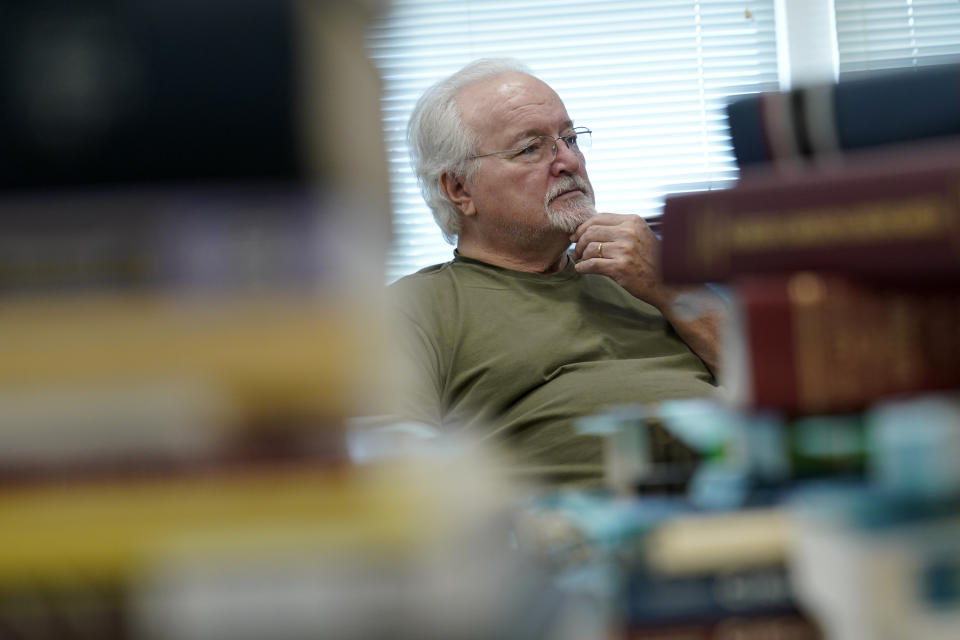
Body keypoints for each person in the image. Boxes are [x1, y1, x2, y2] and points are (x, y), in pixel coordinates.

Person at [389, 58, 721, 483]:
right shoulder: (413, 308)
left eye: (569, 138)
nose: (568, 161)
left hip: (749, 498)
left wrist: (671, 289)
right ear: (459, 189)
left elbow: (786, 391)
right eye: (530, 148)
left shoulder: (645, 270)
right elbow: (396, 468)